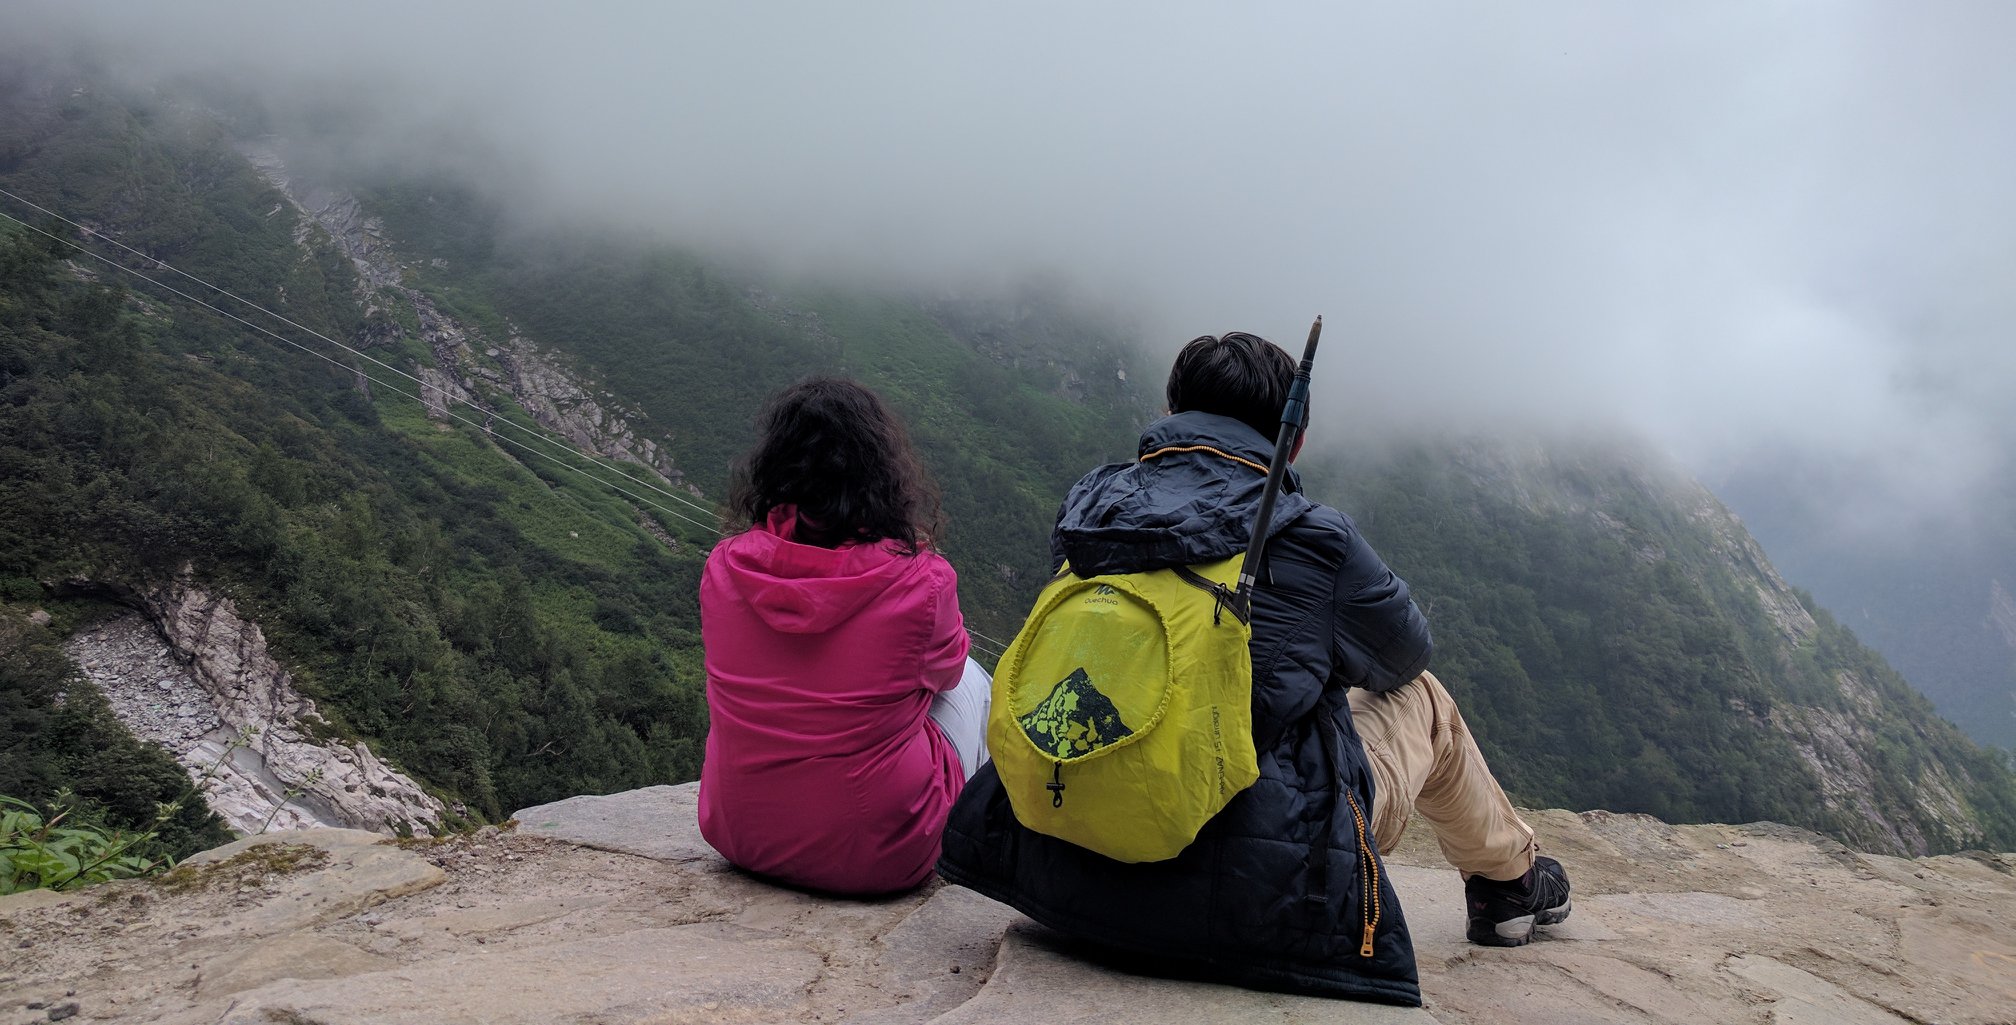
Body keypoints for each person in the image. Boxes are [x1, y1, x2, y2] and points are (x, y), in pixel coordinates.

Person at [936, 332, 1569, 1006]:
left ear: (1170, 410)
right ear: (1291, 442)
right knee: (1423, 697)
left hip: (1062, 863)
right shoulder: (1315, 536)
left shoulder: (1094, 505)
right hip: (1260, 888)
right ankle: (1509, 884)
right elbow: (1405, 654)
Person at [698, 377, 990, 895]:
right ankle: (982, 846)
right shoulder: (921, 581)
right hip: (877, 859)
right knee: (972, 677)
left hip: (738, 833)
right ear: (882, 473)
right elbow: (944, 674)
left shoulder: (725, 567)